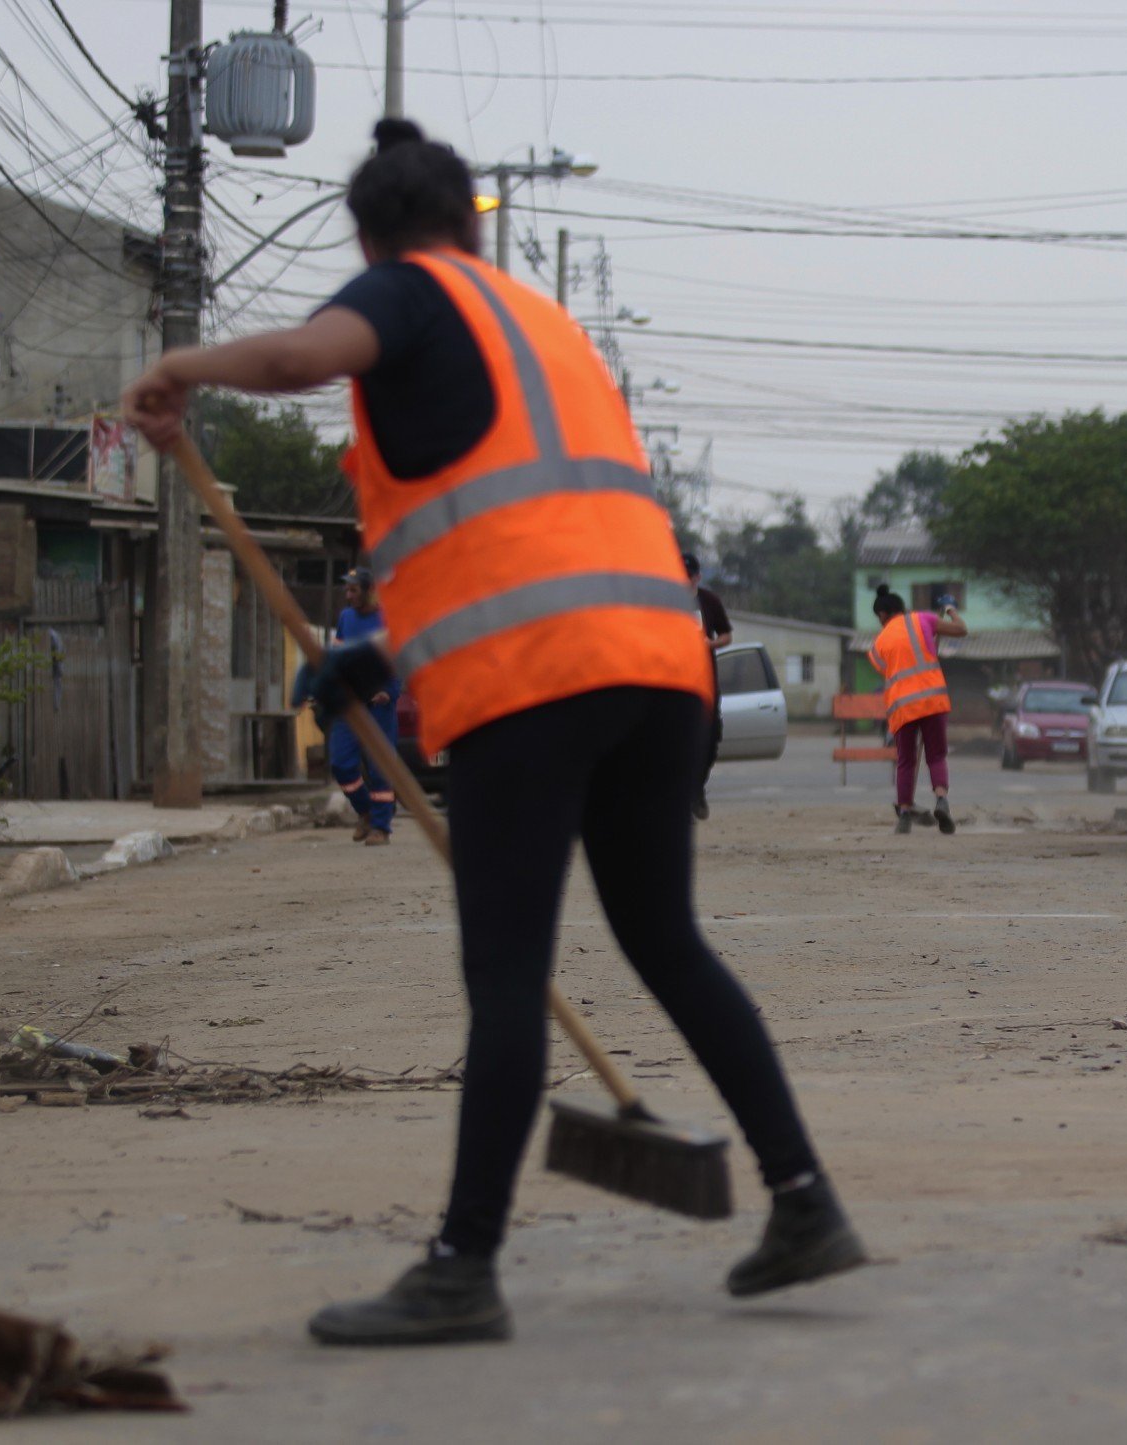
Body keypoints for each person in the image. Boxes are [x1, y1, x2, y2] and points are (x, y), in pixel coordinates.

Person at [120, 119, 864, 1347]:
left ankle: (463, 1267)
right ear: (472, 219)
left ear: (373, 236)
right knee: (666, 941)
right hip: (659, 670)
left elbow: (314, 352)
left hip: (539, 687)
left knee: (508, 974)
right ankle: (804, 1200)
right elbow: (528, 538)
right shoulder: (543, 328)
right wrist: (387, 650)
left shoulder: (410, 294)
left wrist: (187, 366)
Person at [868, 583, 965, 835]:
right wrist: (950, 609)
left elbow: (888, 668)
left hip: (902, 708)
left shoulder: (876, 646)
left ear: (882, 615)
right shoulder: (924, 620)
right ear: (903, 608)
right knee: (936, 756)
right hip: (932, 700)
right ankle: (941, 800)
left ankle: (904, 814)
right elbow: (961, 630)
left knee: (905, 762)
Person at [328, 566, 399, 844]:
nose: (348, 595)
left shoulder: (388, 618)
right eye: (346, 590)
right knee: (341, 764)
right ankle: (365, 811)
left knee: (380, 765)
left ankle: (381, 828)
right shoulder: (346, 618)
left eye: (353, 590)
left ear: (369, 592)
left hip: (379, 704)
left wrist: (389, 691)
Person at [684, 552, 733, 821]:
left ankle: (697, 789)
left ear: (697, 577)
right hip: (676, 682)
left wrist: (709, 644)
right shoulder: (667, 603)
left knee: (711, 737)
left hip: (705, 682)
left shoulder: (709, 601)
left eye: (688, 576)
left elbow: (726, 635)